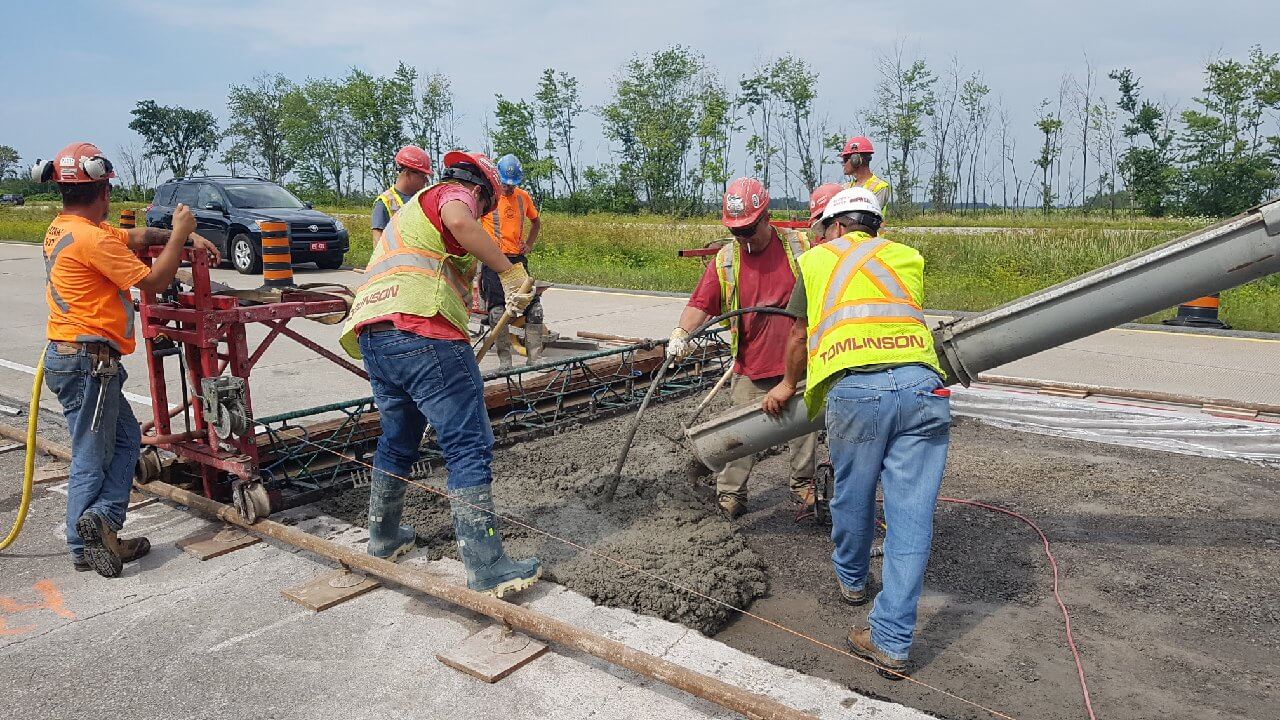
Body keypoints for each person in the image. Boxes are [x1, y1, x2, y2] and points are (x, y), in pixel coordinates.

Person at [762, 187, 950, 678]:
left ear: (836, 227)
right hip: (922, 388)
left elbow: (800, 335)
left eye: (826, 228)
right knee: (912, 518)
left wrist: (786, 384)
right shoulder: (907, 256)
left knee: (853, 497)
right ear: (877, 227)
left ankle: (852, 581)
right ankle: (890, 639)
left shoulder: (816, 261)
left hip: (857, 392)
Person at [338, 150, 541, 598]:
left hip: (376, 334)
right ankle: (488, 568)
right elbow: (461, 222)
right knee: (468, 444)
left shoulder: (410, 213)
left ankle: (384, 538)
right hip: (423, 331)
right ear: (480, 189)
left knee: (398, 438)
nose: (481, 214)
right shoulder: (453, 193)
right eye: (485, 206)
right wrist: (508, 272)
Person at [34, 142, 220, 577]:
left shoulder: (65, 228)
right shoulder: (90, 238)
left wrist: (184, 236)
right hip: (86, 361)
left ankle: (102, 528)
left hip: (80, 358)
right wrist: (178, 235)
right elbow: (154, 281)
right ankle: (89, 539)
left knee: (125, 442)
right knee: (91, 455)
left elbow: (134, 238)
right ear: (103, 191)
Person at [667, 177, 817, 519]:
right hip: (750, 365)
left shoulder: (800, 248)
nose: (744, 237)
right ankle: (731, 497)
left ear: (767, 217)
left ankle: (804, 488)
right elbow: (701, 304)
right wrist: (680, 332)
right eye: (736, 231)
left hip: (798, 362)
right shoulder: (726, 261)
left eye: (749, 228)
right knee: (738, 438)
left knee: (805, 432)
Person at [479, 153, 544, 368]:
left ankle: (535, 360)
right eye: (505, 184)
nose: (508, 188)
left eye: (512, 184)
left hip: (517, 262)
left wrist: (529, 244)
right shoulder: (487, 198)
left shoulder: (522, 197)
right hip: (493, 261)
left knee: (534, 310)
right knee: (498, 313)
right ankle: (505, 361)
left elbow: (536, 222)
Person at [371, 145, 433, 244]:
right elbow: (377, 241)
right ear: (408, 173)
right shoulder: (385, 202)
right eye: (423, 175)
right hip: (397, 258)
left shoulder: (423, 199)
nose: (426, 180)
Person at [840, 137, 891, 216]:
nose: (843, 163)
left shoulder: (879, 187)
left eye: (845, 159)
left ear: (856, 160)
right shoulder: (845, 188)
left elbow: (869, 215)